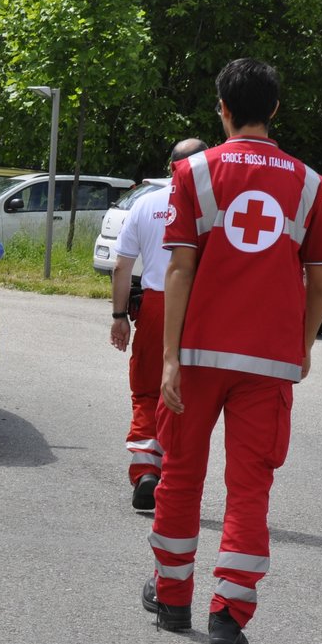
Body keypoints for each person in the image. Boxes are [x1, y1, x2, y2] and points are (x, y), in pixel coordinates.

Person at [142, 58, 322, 644]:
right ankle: (228, 618)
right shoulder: (309, 184)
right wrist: (301, 346)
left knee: (180, 474)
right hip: (268, 363)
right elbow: (320, 281)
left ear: (221, 109)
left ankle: (173, 599)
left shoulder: (193, 172)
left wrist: (168, 358)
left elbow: (179, 268)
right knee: (250, 490)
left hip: (198, 356)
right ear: (274, 110)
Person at [109, 138, 207, 511]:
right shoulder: (213, 206)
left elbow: (122, 266)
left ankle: (147, 470)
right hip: (200, 307)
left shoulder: (146, 203)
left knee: (148, 390)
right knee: (193, 396)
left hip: (156, 304)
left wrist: (120, 317)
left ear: (171, 167)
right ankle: (179, 478)